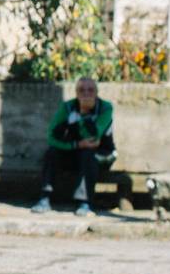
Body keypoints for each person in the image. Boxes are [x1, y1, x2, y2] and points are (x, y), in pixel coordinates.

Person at [32, 75, 114, 216]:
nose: (86, 94)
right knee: (52, 153)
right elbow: (52, 137)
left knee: (88, 155)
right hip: (73, 151)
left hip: (100, 155)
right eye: (82, 90)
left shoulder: (105, 108)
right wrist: (76, 145)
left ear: (96, 92)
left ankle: (85, 202)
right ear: (76, 93)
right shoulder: (67, 107)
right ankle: (44, 198)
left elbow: (94, 136)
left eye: (90, 90)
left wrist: (83, 115)